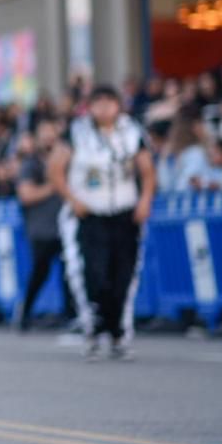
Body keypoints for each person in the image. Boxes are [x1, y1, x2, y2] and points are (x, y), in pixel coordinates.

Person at [50, 85, 156, 361]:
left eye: (110, 101)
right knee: (92, 274)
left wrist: (145, 200)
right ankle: (93, 328)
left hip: (123, 212)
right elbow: (55, 169)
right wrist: (73, 200)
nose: (105, 108)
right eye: (98, 102)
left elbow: (147, 170)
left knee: (124, 274)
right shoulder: (76, 132)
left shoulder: (131, 132)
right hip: (89, 213)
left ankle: (119, 332)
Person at [14, 117, 70, 332]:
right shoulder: (31, 164)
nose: (48, 137)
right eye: (44, 132)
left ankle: (71, 316)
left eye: (51, 132)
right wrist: (54, 185)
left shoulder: (67, 160)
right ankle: (25, 313)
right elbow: (26, 194)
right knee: (40, 272)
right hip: (41, 229)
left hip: (65, 225)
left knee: (70, 273)